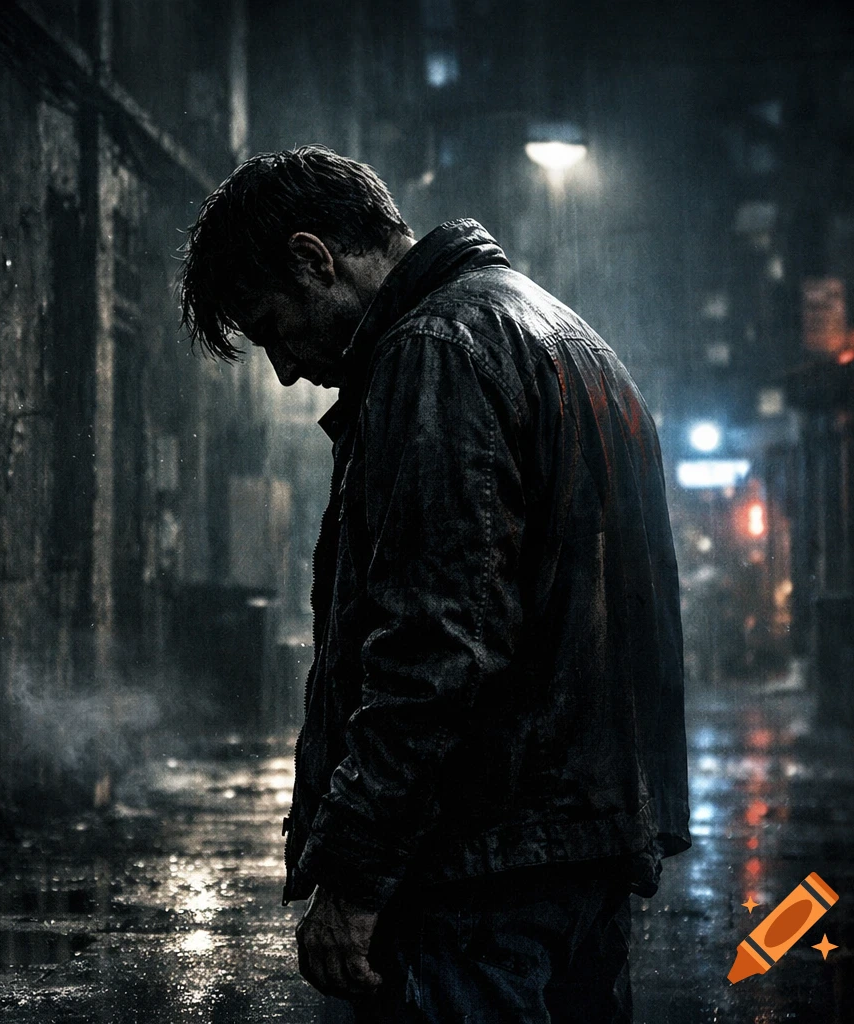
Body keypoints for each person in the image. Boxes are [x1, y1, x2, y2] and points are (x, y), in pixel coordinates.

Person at [178, 146, 690, 1022]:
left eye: (275, 328)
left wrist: (357, 876)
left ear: (314, 259)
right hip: (579, 851)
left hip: (477, 868)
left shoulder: (437, 353)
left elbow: (436, 644)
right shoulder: (568, 337)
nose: (288, 370)